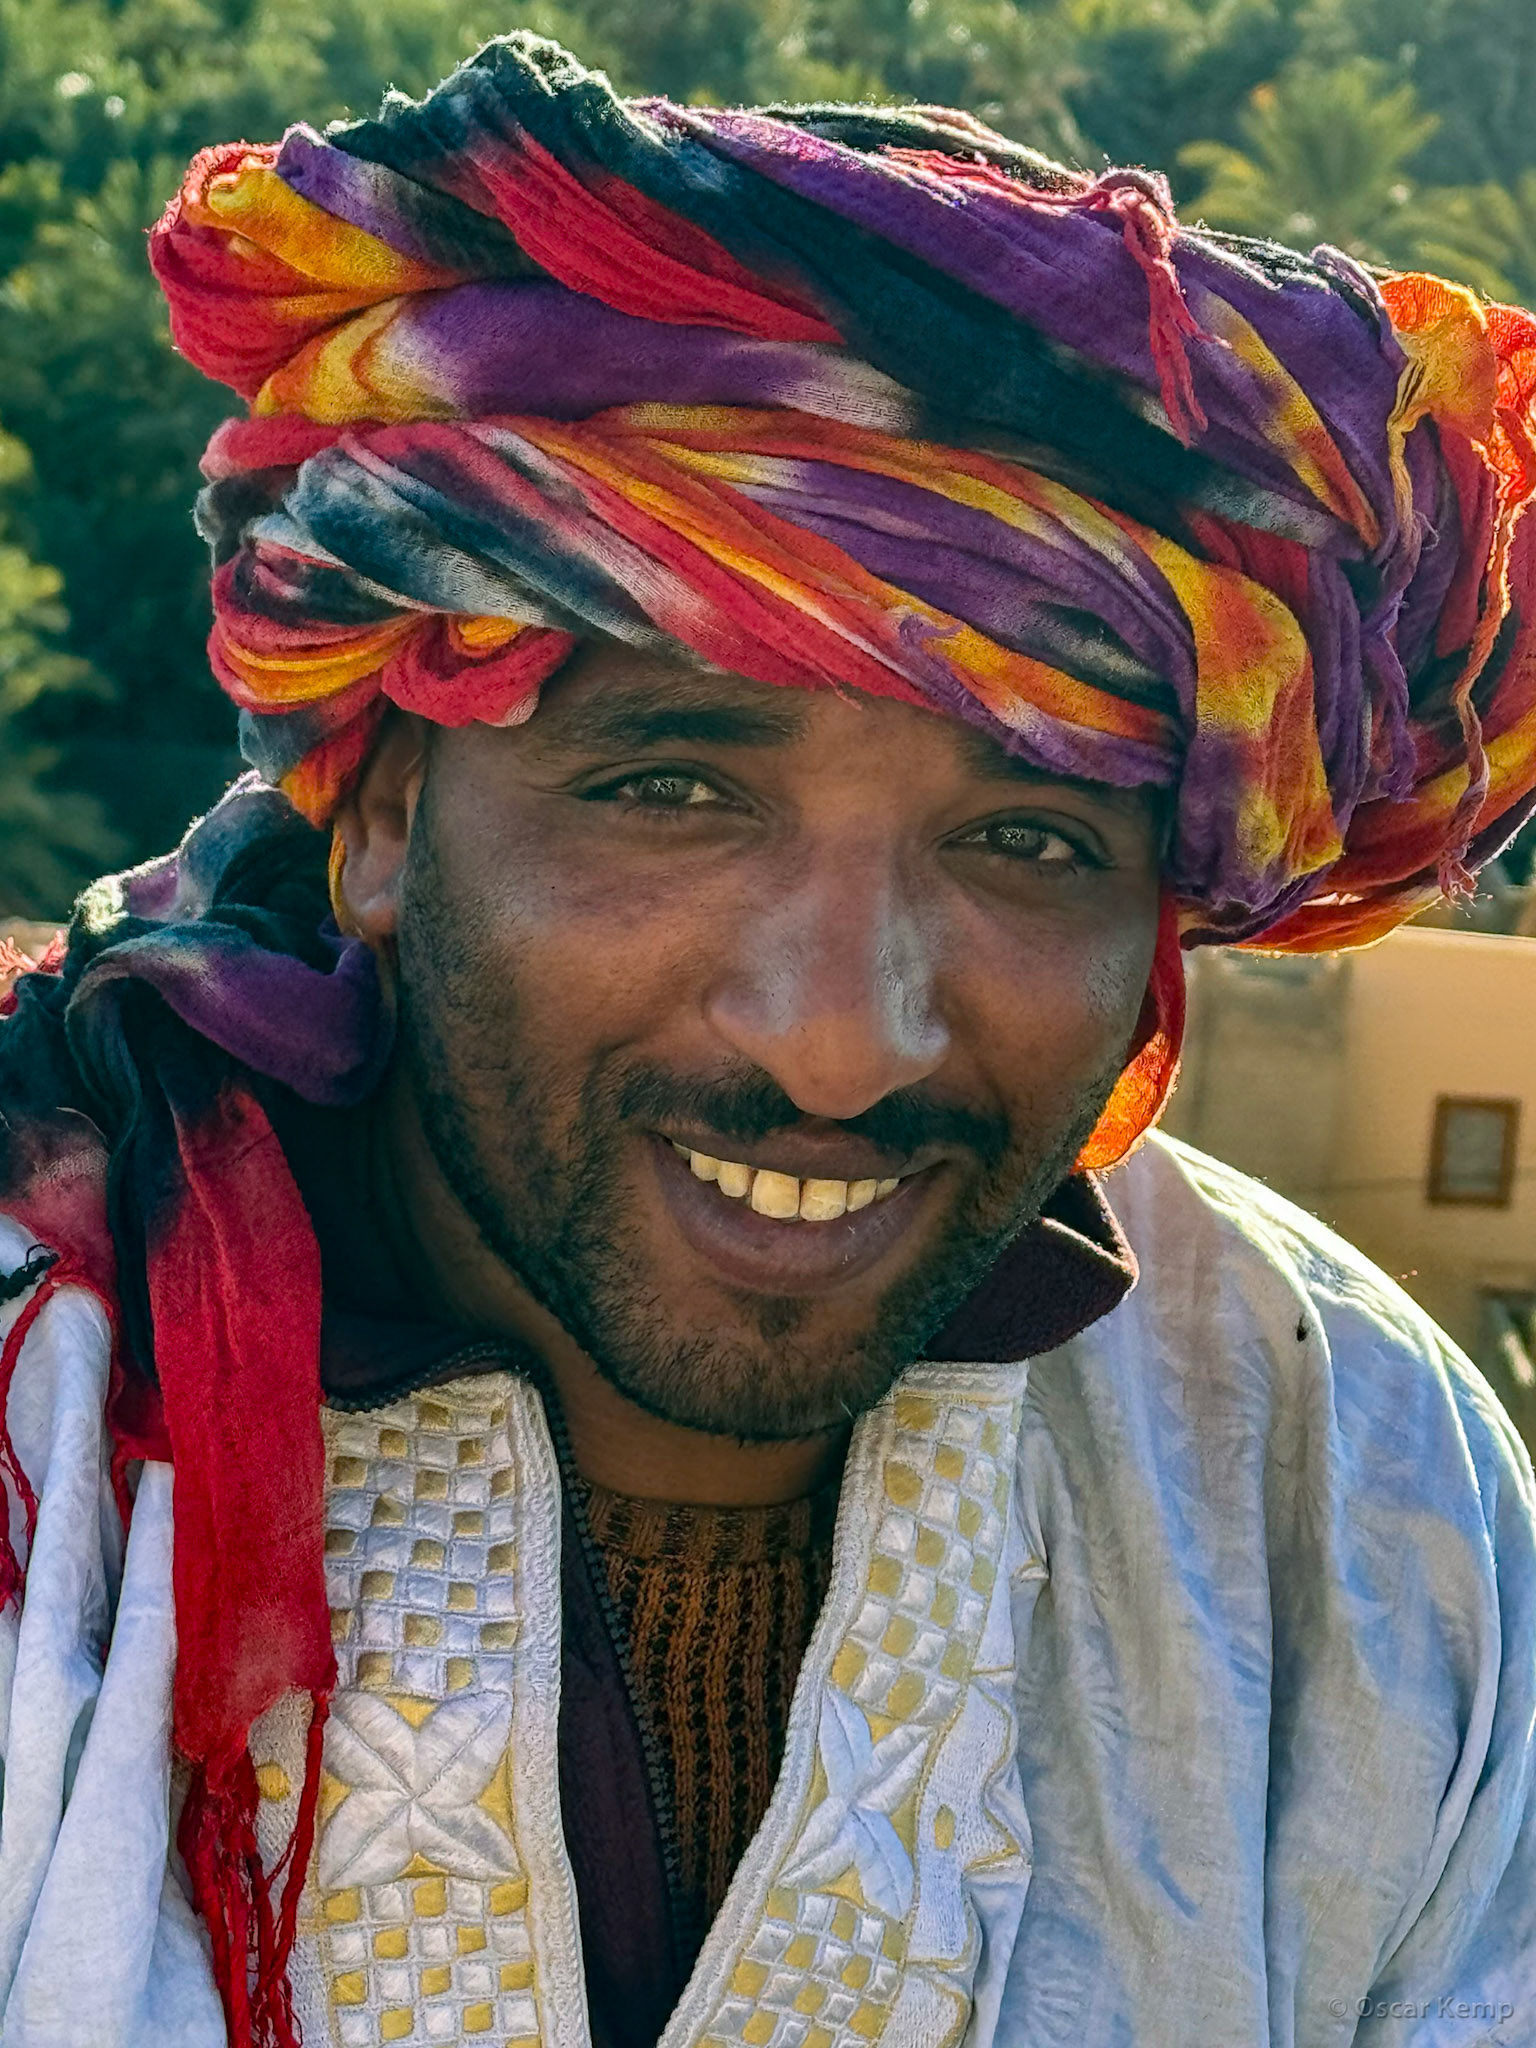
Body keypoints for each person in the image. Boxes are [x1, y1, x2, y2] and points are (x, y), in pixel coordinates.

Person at [0, 30, 1533, 2048]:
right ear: (377, 816)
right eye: (672, 793)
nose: (840, 1046)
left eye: (1028, 839)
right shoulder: (43, 1441)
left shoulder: (1363, 1500)